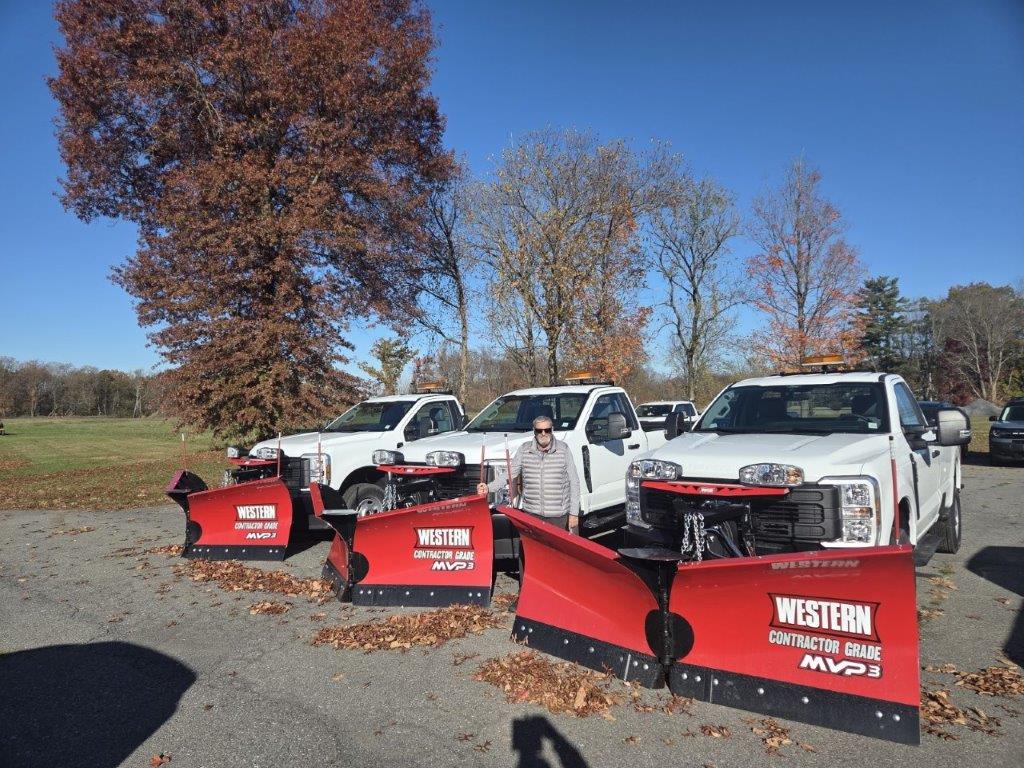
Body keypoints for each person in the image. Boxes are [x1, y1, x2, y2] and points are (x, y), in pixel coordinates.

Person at [477, 414, 581, 533]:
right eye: (539, 430)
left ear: (552, 430)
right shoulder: (524, 450)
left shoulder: (563, 450)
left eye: (547, 430)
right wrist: (489, 487)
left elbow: (574, 482)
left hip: (558, 516)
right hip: (532, 514)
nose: (543, 433)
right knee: (535, 551)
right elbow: (510, 474)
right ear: (534, 431)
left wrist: (574, 513)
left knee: (556, 551)